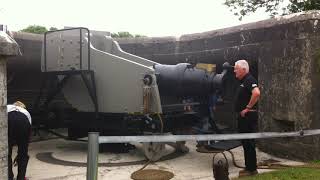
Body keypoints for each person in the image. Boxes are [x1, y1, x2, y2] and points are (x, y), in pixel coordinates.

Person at [233, 60, 260, 177]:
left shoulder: (249, 79)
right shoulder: (244, 81)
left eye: (236, 68)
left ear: (244, 69)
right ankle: (249, 167)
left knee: (248, 142)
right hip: (244, 117)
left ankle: (252, 169)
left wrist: (247, 108)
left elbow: (257, 93)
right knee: (246, 142)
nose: (234, 70)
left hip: (248, 117)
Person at [7, 101, 32, 180]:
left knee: (7, 152)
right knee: (23, 153)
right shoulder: (26, 112)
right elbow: (28, 133)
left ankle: (9, 176)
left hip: (8, 119)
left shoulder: (8, 107)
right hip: (24, 121)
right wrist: (21, 153)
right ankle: (21, 178)